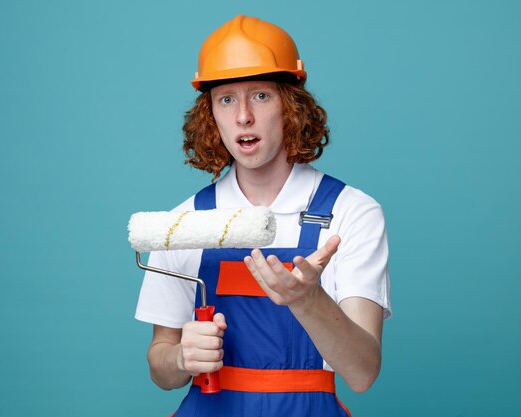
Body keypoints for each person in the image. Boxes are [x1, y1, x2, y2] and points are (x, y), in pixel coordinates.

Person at [135, 15, 391, 417]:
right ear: (211, 116)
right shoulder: (184, 224)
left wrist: (307, 300)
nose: (242, 117)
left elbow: (362, 373)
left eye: (259, 96)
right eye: (226, 99)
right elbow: (160, 369)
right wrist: (181, 358)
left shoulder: (351, 213)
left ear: (291, 106)